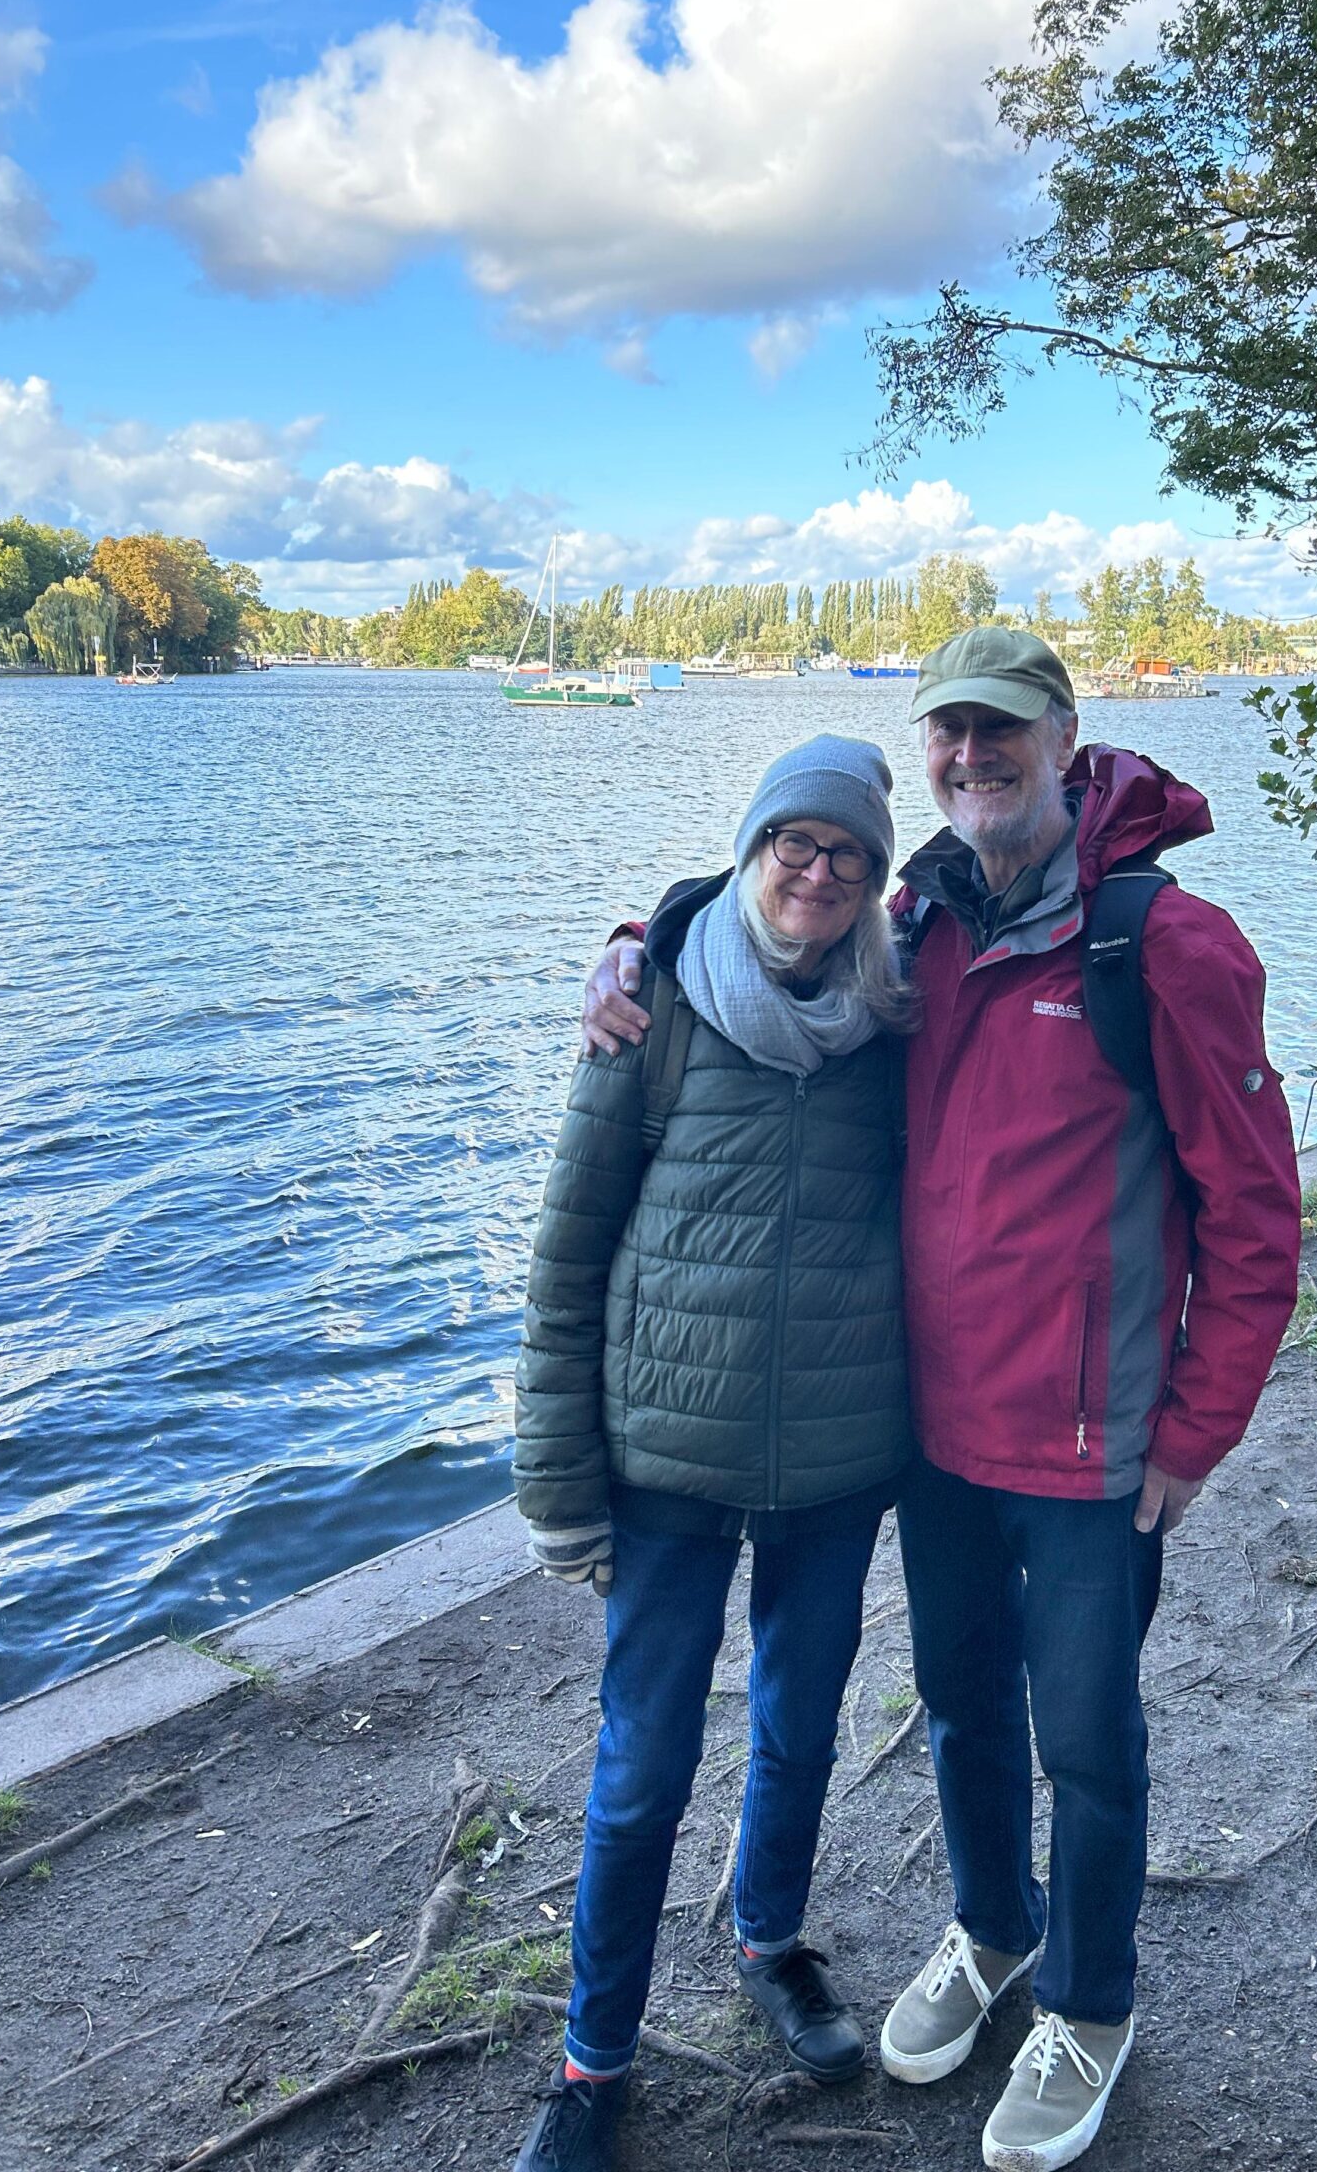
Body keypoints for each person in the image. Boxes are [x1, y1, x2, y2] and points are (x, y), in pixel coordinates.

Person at [585, 628, 1303, 2172]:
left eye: (1001, 731)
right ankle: (993, 1932)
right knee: (967, 1709)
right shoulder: (924, 921)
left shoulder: (1163, 946)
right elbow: (776, 928)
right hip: (938, 1433)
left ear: (1061, 737)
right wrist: (642, 940)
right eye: (948, 735)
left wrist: (1196, 1429)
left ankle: (1091, 2009)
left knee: (1089, 1738)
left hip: (1097, 1440)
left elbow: (1255, 1214)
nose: (971, 757)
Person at [512, 735, 914, 2172]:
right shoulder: (655, 1011)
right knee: (641, 1770)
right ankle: (592, 2058)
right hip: (663, 1460)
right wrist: (558, 1488)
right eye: (793, 845)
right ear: (750, 854)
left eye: (847, 854)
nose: (817, 873)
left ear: (874, 878)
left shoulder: (896, 1019)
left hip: (837, 1455)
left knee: (800, 1728)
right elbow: (566, 1265)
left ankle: (770, 1939)